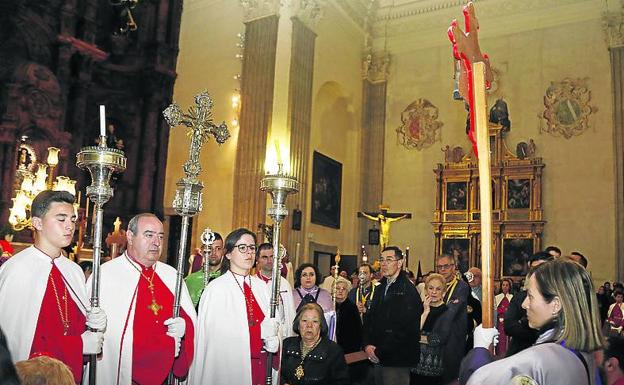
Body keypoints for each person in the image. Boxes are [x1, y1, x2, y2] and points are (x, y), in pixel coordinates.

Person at [0, 190, 105, 383]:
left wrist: (92, 322)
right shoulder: (17, 270)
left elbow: (73, 324)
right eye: (61, 219)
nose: (70, 226)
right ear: (37, 223)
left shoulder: (73, 270)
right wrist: (80, 344)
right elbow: (18, 342)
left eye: (73, 220)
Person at [459, 259, 605, 385]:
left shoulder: (540, 359)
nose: (524, 304)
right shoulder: (582, 352)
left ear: (555, 304)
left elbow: (479, 380)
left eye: (530, 296)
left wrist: (480, 351)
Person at [94, 213, 196, 384]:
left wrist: (186, 327)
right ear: (130, 237)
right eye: (149, 235)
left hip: (166, 376)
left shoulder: (171, 275)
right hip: (125, 375)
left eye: (160, 237)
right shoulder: (107, 275)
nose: (156, 242)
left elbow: (190, 321)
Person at [189, 228, 279, 385]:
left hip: (261, 367)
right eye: (242, 248)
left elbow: (275, 323)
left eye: (252, 248)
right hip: (231, 371)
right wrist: (258, 334)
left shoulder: (262, 287)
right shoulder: (216, 289)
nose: (249, 253)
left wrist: (276, 339)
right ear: (228, 254)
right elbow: (216, 338)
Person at [363, 246, 423, 385]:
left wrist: (379, 352)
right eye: (382, 260)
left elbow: (406, 329)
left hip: (397, 359)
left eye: (389, 260)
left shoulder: (408, 290)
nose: (384, 264)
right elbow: (370, 319)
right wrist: (367, 345)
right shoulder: (379, 287)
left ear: (400, 263)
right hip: (377, 355)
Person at [280, 302, 350, 385]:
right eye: (304, 321)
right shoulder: (287, 344)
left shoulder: (334, 351)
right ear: (298, 325)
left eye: (315, 321)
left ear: (321, 325)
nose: (309, 325)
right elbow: (277, 374)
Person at [504, 251, 554, 357]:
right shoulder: (520, 297)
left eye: (542, 268)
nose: (525, 305)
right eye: (533, 269)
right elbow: (509, 325)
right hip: (520, 351)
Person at [410, 273, 457, 385]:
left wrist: (416, 337)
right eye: (431, 288)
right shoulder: (419, 307)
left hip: (435, 370)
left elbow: (438, 339)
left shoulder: (447, 312)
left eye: (438, 289)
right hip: (413, 367)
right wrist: (425, 312)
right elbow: (410, 333)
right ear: (426, 290)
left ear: (444, 292)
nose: (434, 292)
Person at [435, 253, 469, 384]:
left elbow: (450, 312)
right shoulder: (436, 285)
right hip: (436, 336)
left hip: (452, 337)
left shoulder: (462, 286)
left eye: (446, 266)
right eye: (439, 267)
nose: (442, 269)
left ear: (453, 267)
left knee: (450, 376)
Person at [255, 242, 297, 338]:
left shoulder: (284, 284)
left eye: (272, 257)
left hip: (280, 333)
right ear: (257, 259)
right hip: (258, 332)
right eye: (264, 257)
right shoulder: (252, 283)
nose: (269, 261)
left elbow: (290, 313)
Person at [185, 232, 224, 308]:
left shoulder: (228, 278)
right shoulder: (191, 280)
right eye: (209, 248)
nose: (213, 253)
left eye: (218, 248)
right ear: (202, 251)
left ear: (223, 251)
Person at [293, 263, 335, 331]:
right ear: (299, 277)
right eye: (304, 275)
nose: (308, 278)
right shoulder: (292, 295)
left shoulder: (325, 295)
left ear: (316, 277)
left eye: (311, 274)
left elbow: (330, 321)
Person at [495, 278, 514, 356]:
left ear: (509, 287)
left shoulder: (512, 297)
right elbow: (495, 310)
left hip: (508, 321)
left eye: (507, 285)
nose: (505, 287)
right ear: (501, 286)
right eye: (503, 285)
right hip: (499, 323)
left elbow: (512, 310)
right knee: (500, 339)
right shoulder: (497, 297)